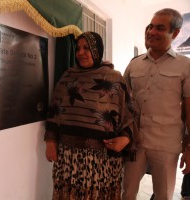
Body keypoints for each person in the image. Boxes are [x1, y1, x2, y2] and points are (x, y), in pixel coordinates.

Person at [44, 31, 138, 200]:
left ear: (97, 50)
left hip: (101, 159)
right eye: (78, 48)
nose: (80, 53)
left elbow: (129, 114)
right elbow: (54, 110)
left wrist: (125, 139)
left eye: (87, 48)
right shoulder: (67, 77)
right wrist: (50, 141)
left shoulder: (113, 78)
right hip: (68, 157)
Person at [122, 8, 190, 200]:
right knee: (127, 193)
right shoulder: (134, 64)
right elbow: (122, 103)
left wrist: (189, 148)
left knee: (163, 195)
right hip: (135, 142)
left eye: (160, 28)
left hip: (166, 144)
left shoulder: (185, 66)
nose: (152, 32)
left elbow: (189, 110)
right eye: (151, 27)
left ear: (175, 33)